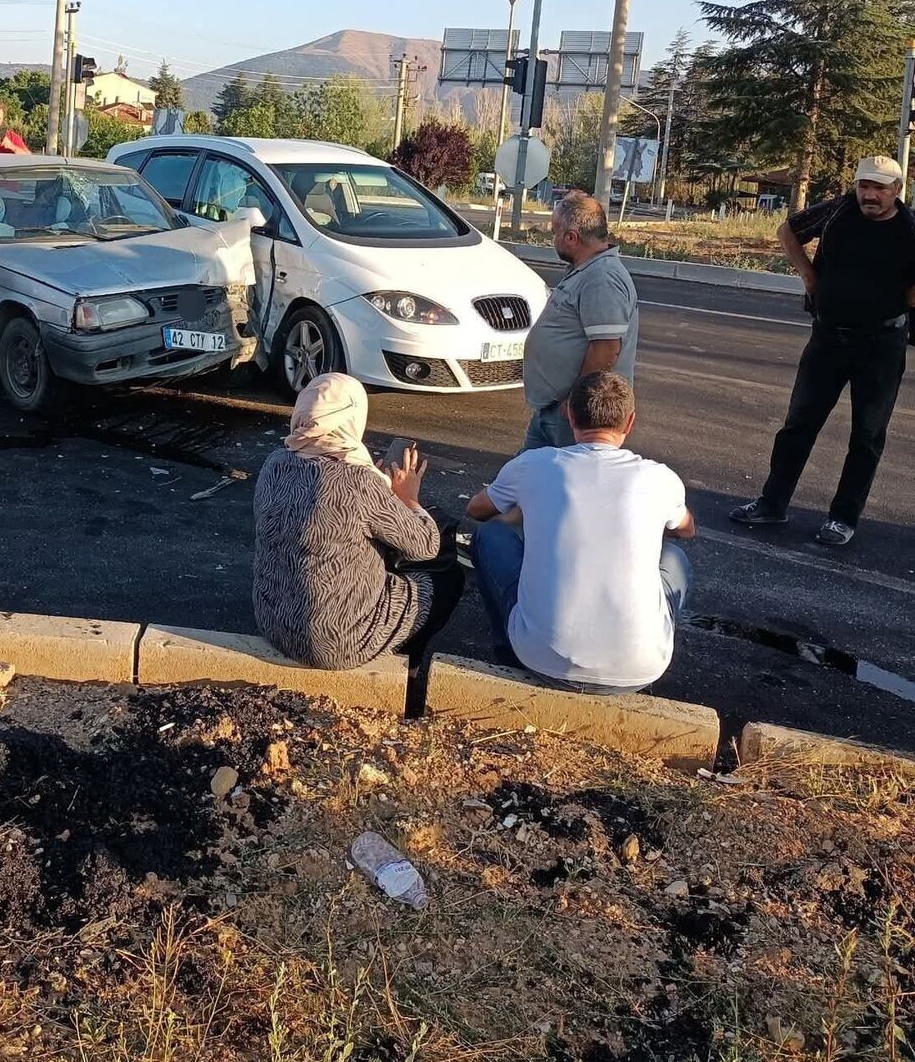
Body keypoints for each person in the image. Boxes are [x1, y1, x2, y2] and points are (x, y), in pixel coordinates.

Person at [468, 371, 693, 694]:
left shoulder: (534, 465)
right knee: (675, 558)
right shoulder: (659, 478)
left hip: (539, 657)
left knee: (490, 536)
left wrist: (525, 508)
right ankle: (642, 641)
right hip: (639, 671)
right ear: (629, 422)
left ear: (569, 414)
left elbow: (477, 510)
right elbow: (686, 529)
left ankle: (508, 646)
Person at [731, 156, 915, 547]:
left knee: (866, 436)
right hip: (828, 338)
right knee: (798, 424)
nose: (869, 194)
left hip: (881, 346)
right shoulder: (839, 210)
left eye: (880, 188)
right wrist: (810, 278)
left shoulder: (910, 228)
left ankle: (842, 517)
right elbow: (788, 230)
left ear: (897, 190)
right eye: (864, 185)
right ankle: (772, 503)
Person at [251, 372, 463, 670]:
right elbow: (425, 546)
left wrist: (375, 486)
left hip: (273, 624)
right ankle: (410, 664)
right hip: (336, 644)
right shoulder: (360, 482)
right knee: (448, 580)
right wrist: (408, 496)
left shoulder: (275, 463)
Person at [520, 191, 639, 449]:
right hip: (556, 410)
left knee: (556, 485)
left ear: (571, 238)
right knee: (525, 481)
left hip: (577, 417)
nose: (553, 239)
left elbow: (606, 348)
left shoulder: (603, 278)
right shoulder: (586, 270)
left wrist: (576, 401)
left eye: (555, 232)